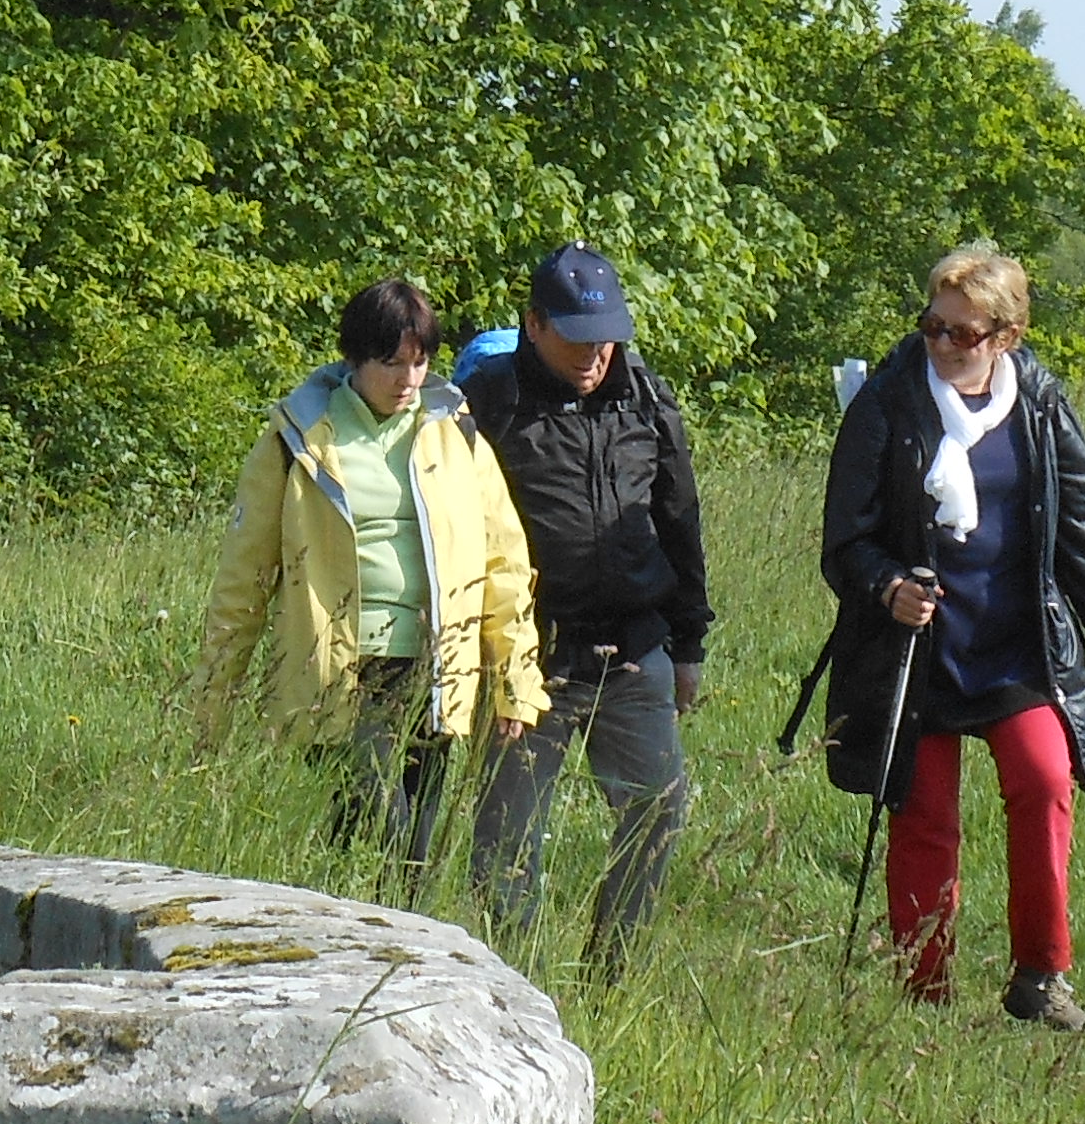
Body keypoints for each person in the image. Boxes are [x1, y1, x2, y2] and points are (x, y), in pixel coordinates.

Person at [818, 244, 1085, 1031]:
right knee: (924, 817)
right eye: (934, 326)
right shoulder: (888, 404)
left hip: (1018, 643)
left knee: (1043, 780)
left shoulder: (1038, 403)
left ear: (1008, 335)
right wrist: (888, 586)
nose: (943, 344)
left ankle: (1040, 976)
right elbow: (844, 539)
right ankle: (922, 996)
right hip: (916, 650)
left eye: (963, 333)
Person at [192, 276, 541, 890]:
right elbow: (243, 579)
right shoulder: (295, 439)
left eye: (420, 360)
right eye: (391, 362)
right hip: (338, 669)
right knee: (384, 819)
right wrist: (212, 701)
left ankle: (387, 964)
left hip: (433, 669)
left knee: (411, 853)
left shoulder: (456, 434)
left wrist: (515, 676)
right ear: (354, 359)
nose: (408, 378)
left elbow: (504, 562)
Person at [457, 242, 707, 969]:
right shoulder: (489, 407)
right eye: (577, 334)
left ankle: (611, 970)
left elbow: (679, 520)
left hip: (634, 649)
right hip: (525, 657)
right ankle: (514, 980)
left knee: (658, 813)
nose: (595, 352)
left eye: (607, 335)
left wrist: (688, 645)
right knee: (506, 835)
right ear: (533, 325)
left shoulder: (648, 399)